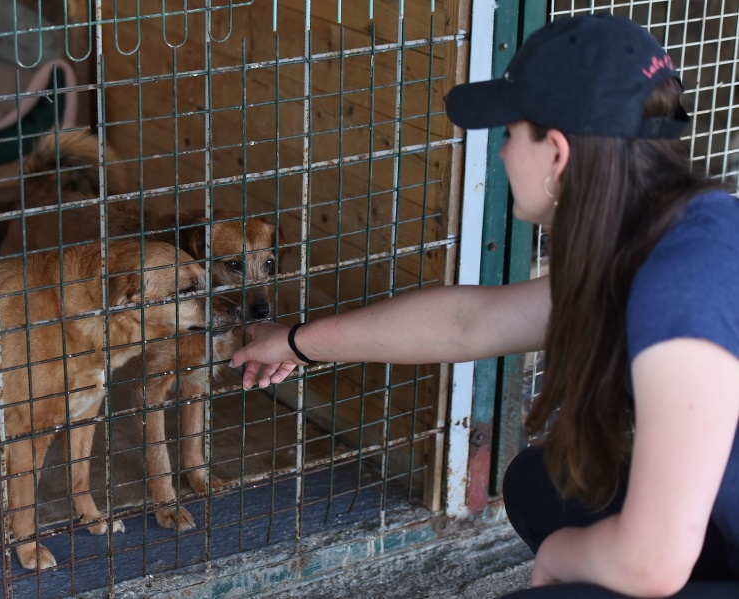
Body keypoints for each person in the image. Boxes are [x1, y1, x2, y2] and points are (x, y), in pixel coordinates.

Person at [229, 13, 739, 598]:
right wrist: (296, 342)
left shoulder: (683, 287)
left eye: (509, 134)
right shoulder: (664, 235)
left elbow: (650, 563)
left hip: (675, 551)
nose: (499, 155)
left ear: (558, 155)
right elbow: (472, 321)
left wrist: (558, 557)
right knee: (538, 484)